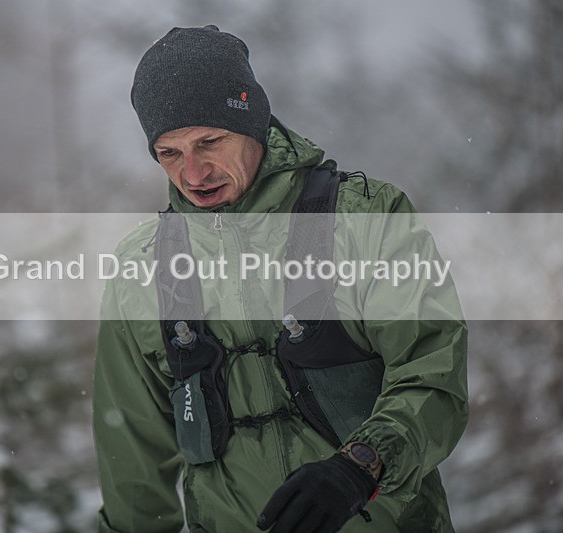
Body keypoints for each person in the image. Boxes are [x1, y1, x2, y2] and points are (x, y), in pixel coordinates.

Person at [93, 25, 468, 532]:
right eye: (170, 152)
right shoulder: (140, 270)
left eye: (210, 141)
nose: (194, 173)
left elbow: (434, 376)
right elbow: (131, 459)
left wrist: (360, 466)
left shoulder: (365, 218)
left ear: (254, 124)